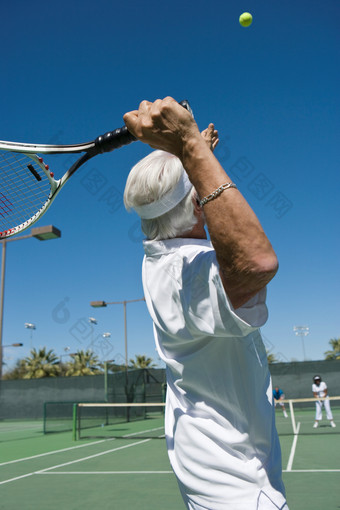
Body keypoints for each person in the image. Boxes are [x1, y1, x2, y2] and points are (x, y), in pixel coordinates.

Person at [123, 97, 288, 510]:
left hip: (203, 476)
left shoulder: (158, 258)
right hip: (240, 489)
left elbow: (194, 213)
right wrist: (191, 147)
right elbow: (255, 262)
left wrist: (195, 155)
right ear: (198, 202)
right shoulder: (191, 269)